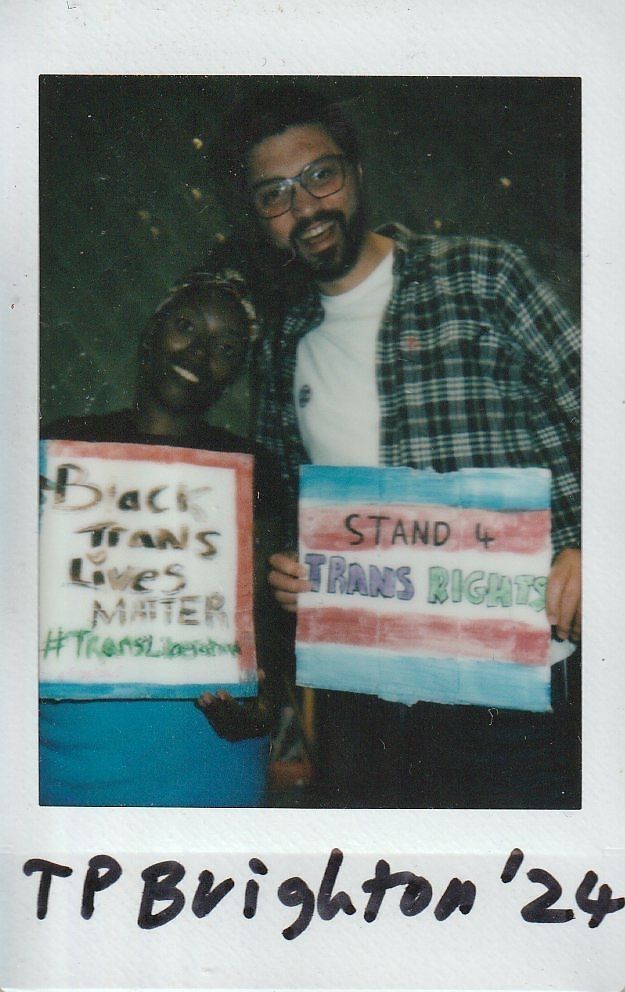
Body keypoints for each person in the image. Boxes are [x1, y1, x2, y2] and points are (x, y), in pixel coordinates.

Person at [221, 84, 581, 808]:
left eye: (319, 175)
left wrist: (597, 543)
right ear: (258, 217)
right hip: (376, 703)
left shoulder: (483, 274)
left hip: (518, 686)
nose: (306, 208)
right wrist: (292, 572)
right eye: (275, 195)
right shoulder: (283, 348)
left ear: (354, 171)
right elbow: (291, 514)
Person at [40, 268, 281, 806]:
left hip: (206, 743)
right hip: (71, 742)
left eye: (223, 347)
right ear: (152, 332)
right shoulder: (60, 446)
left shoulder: (253, 468)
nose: (198, 354)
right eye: (186, 326)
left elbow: (271, 611)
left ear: (236, 370)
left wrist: (270, 700)